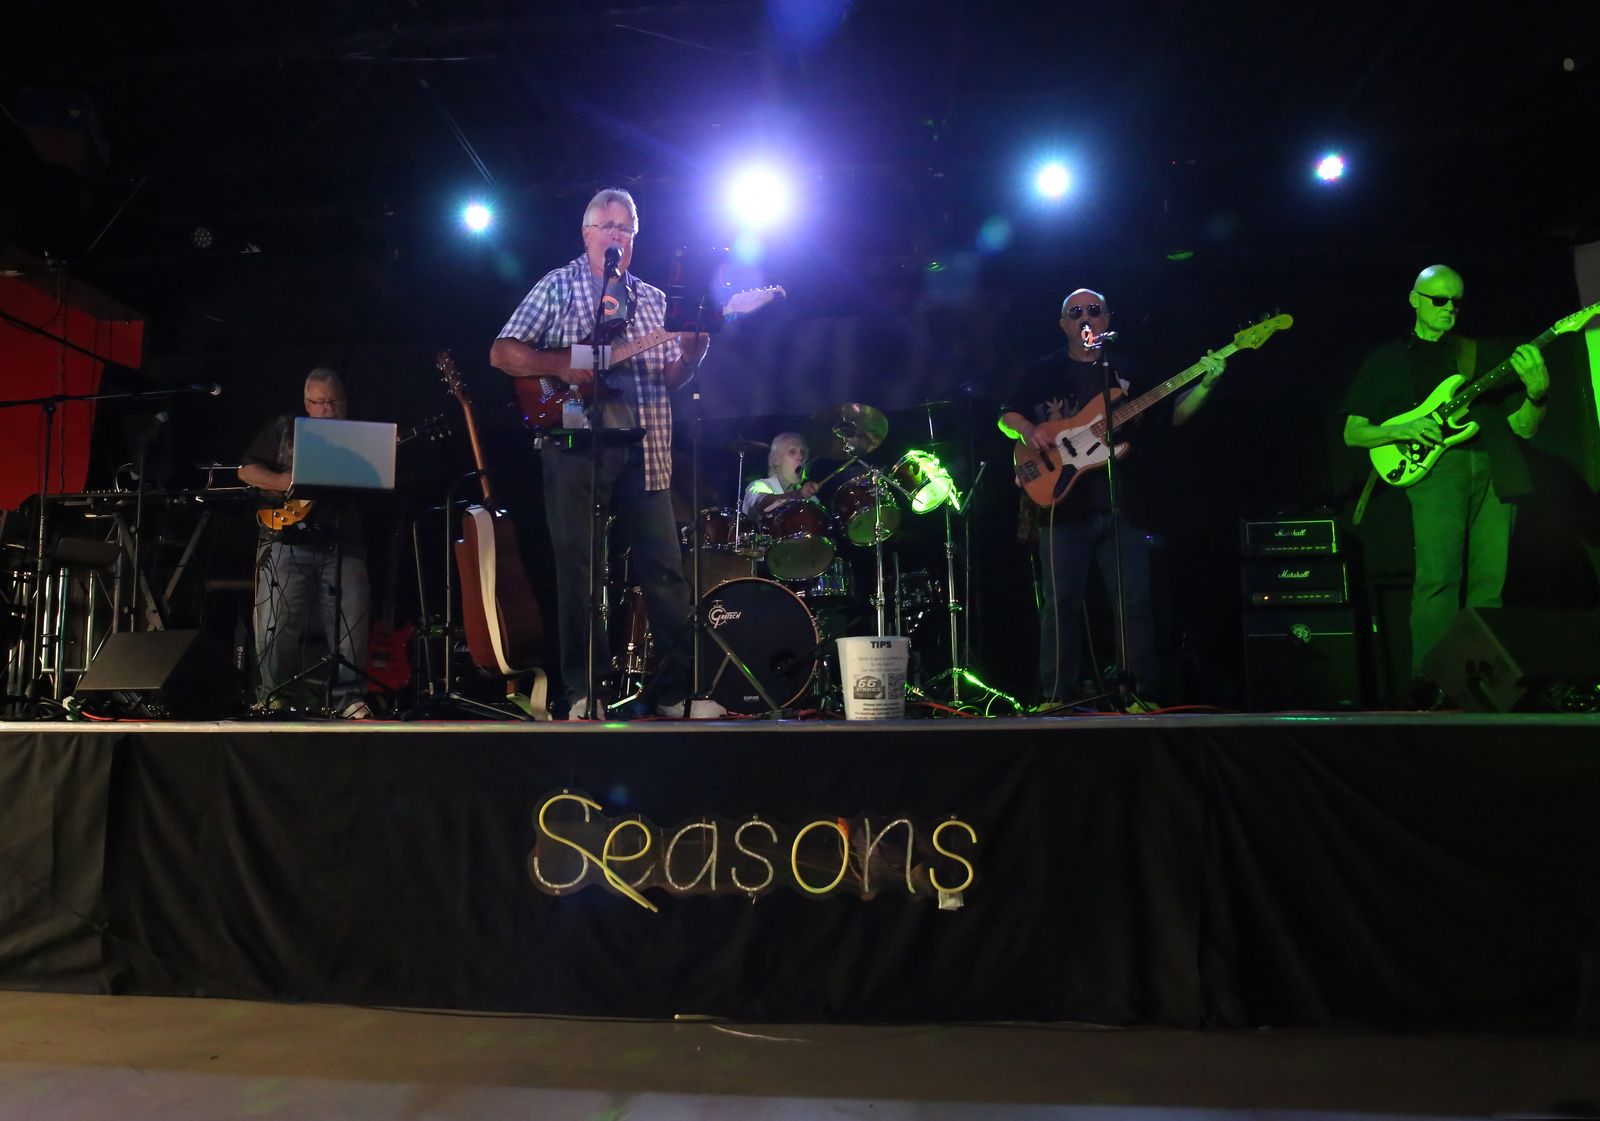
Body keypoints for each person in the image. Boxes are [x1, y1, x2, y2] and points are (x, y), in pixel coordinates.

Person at [489, 188, 720, 719]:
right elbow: (501, 352)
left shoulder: (657, 301)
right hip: (575, 446)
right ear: (587, 233)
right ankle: (582, 690)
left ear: (634, 238)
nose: (617, 235)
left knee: (664, 571)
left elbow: (669, 379)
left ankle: (676, 693)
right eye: (608, 226)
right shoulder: (559, 285)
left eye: (626, 228)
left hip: (646, 448)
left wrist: (692, 355)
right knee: (579, 572)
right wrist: (558, 364)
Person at [999, 289, 1224, 711]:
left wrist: (1206, 384)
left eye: (1093, 311)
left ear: (1107, 319)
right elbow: (1006, 416)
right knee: (1060, 604)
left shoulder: (1126, 372)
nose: (1085, 317)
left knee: (1134, 602)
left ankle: (1140, 692)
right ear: (1063, 324)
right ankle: (1056, 696)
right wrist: (1030, 430)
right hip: (1062, 507)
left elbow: (1173, 414)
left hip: (1123, 505)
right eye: (1075, 312)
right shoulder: (1043, 371)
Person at [1341, 264, 1549, 690]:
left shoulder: (1480, 354)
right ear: (1414, 299)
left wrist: (1537, 394)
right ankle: (1431, 683)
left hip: (1496, 465)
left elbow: (1524, 428)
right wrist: (1402, 429)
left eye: (1456, 301)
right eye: (1439, 299)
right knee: (1438, 580)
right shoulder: (1387, 360)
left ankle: (1483, 684)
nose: (1449, 308)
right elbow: (1353, 432)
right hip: (1437, 472)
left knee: (1491, 584)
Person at [238, 367, 372, 717]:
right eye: (320, 402)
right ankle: (272, 696)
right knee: (276, 624)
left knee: (351, 627)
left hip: (344, 542)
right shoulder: (285, 428)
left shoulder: (361, 435)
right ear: (306, 402)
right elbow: (246, 470)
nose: (328, 409)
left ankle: (349, 700)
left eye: (334, 401)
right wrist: (283, 481)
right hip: (285, 539)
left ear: (345, 401)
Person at [741, 431, 821, 517]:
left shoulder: (812, 500)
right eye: (792, 452)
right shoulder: (759, 486)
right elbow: (764, 504)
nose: (801, 457)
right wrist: (799, 494)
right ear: (776, 460)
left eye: (803, 452)